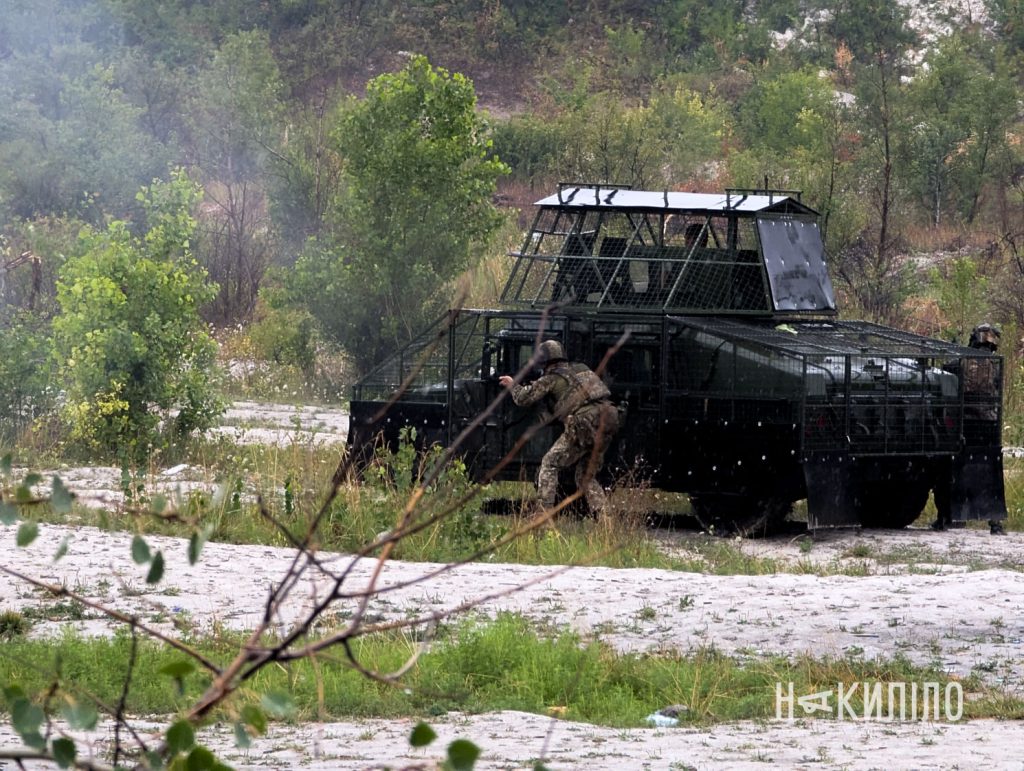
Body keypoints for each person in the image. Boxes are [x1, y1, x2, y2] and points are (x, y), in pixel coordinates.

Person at [498, 340, 619, 518]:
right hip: (607, 421)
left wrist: (512, 384)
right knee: (585, 477)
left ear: (544, 362)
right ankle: (605, 518)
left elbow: (523, 398)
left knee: (550, 463)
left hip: (583, 423)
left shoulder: (551, 378)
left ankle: (542, 515)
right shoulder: (582, 368)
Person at [932, 322, 1006, 534]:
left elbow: (946, 373)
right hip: (989, 425)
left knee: (950, 469)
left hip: (964, 425)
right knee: (989, 472)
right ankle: (994, 522)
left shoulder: (960, 362)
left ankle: (945, 518)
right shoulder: (995, 365)